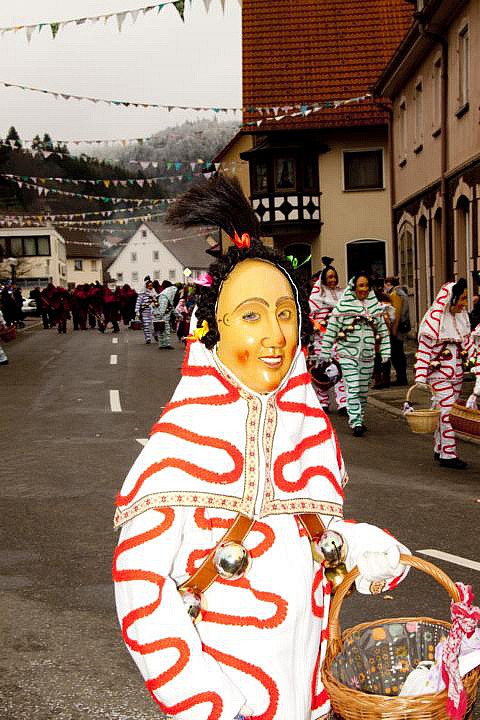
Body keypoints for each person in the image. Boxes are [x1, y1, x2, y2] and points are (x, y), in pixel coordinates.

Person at [113, 175, 409, 720]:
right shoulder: (177, 449)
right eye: (251, 315)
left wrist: (363, 548)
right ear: (212, 329)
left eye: (285, 313)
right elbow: (141, 589)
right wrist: (212, 704)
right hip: (231, 703)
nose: (275, 335)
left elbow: (311, 547)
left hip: (311, 700)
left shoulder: (305, 437)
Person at [319, 273, 391, 436]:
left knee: (363, 390)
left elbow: (383, 331)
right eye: (361, 285)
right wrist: (325, 352)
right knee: (353, 387)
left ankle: (360, 417)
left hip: (368, 355)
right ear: (354, 288)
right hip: (347, 354)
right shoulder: (342, 308)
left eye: (366, 285)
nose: (364, 289)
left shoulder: (374, 307)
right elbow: (331, 331)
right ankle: (356, 422)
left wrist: (386, 351)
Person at [414, 280, 476, 469]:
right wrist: (420, 376)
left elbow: (469, 346)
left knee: (446, 410)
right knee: (448, 412)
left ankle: (440, 447)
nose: (464, 303)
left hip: (457, 374)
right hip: (438, 375)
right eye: (462, 299)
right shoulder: (433, 322)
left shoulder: (461, 319)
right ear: (452, 298)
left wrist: (476, 365)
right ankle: (448, 454)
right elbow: (424, 351)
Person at [308, 257, 347, 414]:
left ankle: (343, 403)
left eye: (335, 277)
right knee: (321, 370)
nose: (333, 280)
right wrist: (321, 324)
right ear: (324, 279)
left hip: (338, 340)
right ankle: (322, 402)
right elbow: (311, 319)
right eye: (330, 277)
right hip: (321, 340)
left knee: (340, 370)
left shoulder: (341, 294)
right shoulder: (316, 297)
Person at [384, 276, 410, 386]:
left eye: (385, 285)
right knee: (399, 353)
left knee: (396, 354)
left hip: (397, 328)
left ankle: (401, 378)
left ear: (388, 284)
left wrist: (393, 330)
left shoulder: (395, 294)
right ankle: (401, 377)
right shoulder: (402, 293)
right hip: (402, 326)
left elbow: (396, 313)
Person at [153, 282, 179, 349]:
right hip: (163, 317)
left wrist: (178, 315)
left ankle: (163, 344)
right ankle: (165, 344)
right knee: (165, 331)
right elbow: (163, 309)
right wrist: (160, 317)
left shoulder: (166, 296)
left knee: (162, 331)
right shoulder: (164, 297)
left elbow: (171, 307)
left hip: (162, 317)